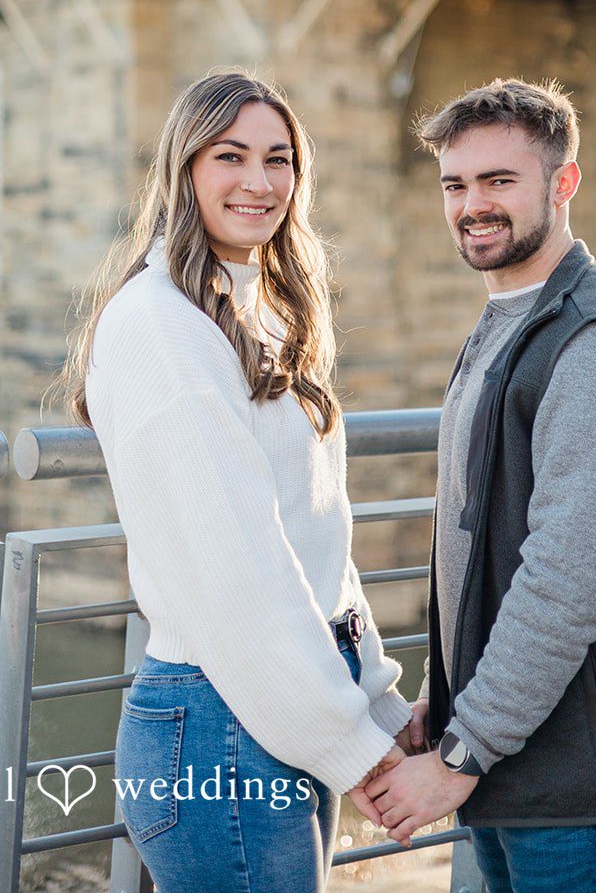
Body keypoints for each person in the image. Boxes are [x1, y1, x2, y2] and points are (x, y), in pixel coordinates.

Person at [54, 70, 413, 892]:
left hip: (275, 712)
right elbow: (236, 571)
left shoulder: (263, 312)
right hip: (219, 730)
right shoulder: (160, 325)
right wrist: (351, 745)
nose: (260, 182)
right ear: (185, 169)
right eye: (231, 156)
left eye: (279, 159)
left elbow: (317, 541)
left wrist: (377, 704)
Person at [358, 77, 596, 893]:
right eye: (455, 184)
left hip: (580, 793)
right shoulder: (508, 316)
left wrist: (463, 751)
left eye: (498, 181)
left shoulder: (594, 341)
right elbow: (489, 545)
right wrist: (447, 714)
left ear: (562, 183)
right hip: (519, 767)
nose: (472, 204)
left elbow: (567, 578)